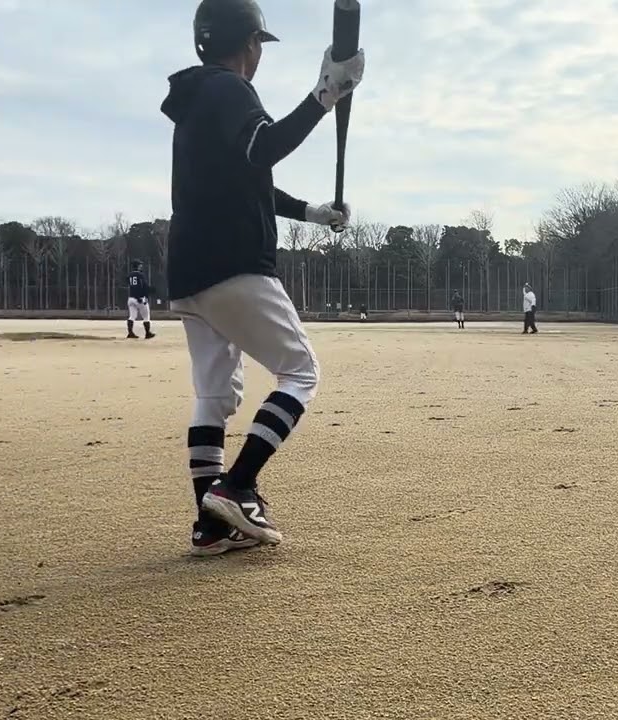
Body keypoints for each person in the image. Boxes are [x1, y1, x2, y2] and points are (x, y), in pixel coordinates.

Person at [160, 0, 364, 556]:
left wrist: (311, 213)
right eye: (258, 44)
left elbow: (253, 180)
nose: (258, 55)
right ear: (248, 43)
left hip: (189, 272)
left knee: (213, 395)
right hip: (235, 263)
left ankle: (211, 524)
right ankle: (239, 483)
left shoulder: (199, 101)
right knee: (300, 372)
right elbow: (265, 146)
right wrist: (325, 96)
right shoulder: (229, 89)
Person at [126, 260, 155, 339]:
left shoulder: (129, 275)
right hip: (140, 298)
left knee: (132, 316)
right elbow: (144, 286)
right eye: (140, 265)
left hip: (131, 298)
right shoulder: (140, 275)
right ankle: (147, 333)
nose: (141, 266)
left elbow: (131, 285)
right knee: (146, 317)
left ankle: (130, 333)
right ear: (137, 266)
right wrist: (147, 293)